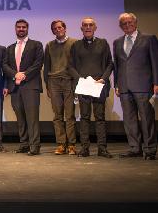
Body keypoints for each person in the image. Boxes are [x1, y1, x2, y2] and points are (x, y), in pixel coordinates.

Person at [113, 12, 158, 160]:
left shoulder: (149, 39)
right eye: (124, 24)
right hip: (125, 87)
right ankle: (134, 148)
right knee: (129, 120)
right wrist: (117, 85)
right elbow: (117, 66)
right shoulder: (117, 42)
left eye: (130, 22)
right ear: (120, 26)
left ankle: (150, 150)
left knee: (147, 119)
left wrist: (156, 82)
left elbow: (155, 62)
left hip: (144, 86)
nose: (127, 25)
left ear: (135, 23)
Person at [68, 17, 113, 158]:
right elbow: (70, 66)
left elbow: (110, 64)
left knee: (100, 118)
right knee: (84, 118)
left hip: (99, 85)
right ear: (81, 28)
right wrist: (80, 79)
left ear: (95, 28)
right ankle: (85, 149)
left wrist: (103, 79)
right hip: (84, 86)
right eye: (85, 25)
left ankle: (102, 149)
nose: (88, 27)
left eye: (90, 25)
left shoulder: (103, 43)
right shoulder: (76, 46)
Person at [3, 19, 44, 156]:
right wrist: (15, 74)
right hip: (15, 88)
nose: (21, 29)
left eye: (23, 27)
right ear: (15, 29)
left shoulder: (36, 45)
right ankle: (24, 144)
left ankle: (34, 146)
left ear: (27, 29)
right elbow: (5, 66)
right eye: (18, 27)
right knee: (20, 118)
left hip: (31, 86)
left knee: (32, 118)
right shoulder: (9, 48)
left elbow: (38, 64)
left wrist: (24, 75)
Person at [43, 20, 77, 155]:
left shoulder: (74, 43)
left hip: (69, 81)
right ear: (52, 31)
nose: (58, 30)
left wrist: (76, 84)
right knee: (57, 116)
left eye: (60, 27)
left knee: (70, 115)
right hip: (54, 82)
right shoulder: (50, 45)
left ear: (65, 28)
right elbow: (47, 66)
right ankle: (61, 144)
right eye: (55, 28)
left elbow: (77, 64)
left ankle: (72, 145)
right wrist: (47, 86)